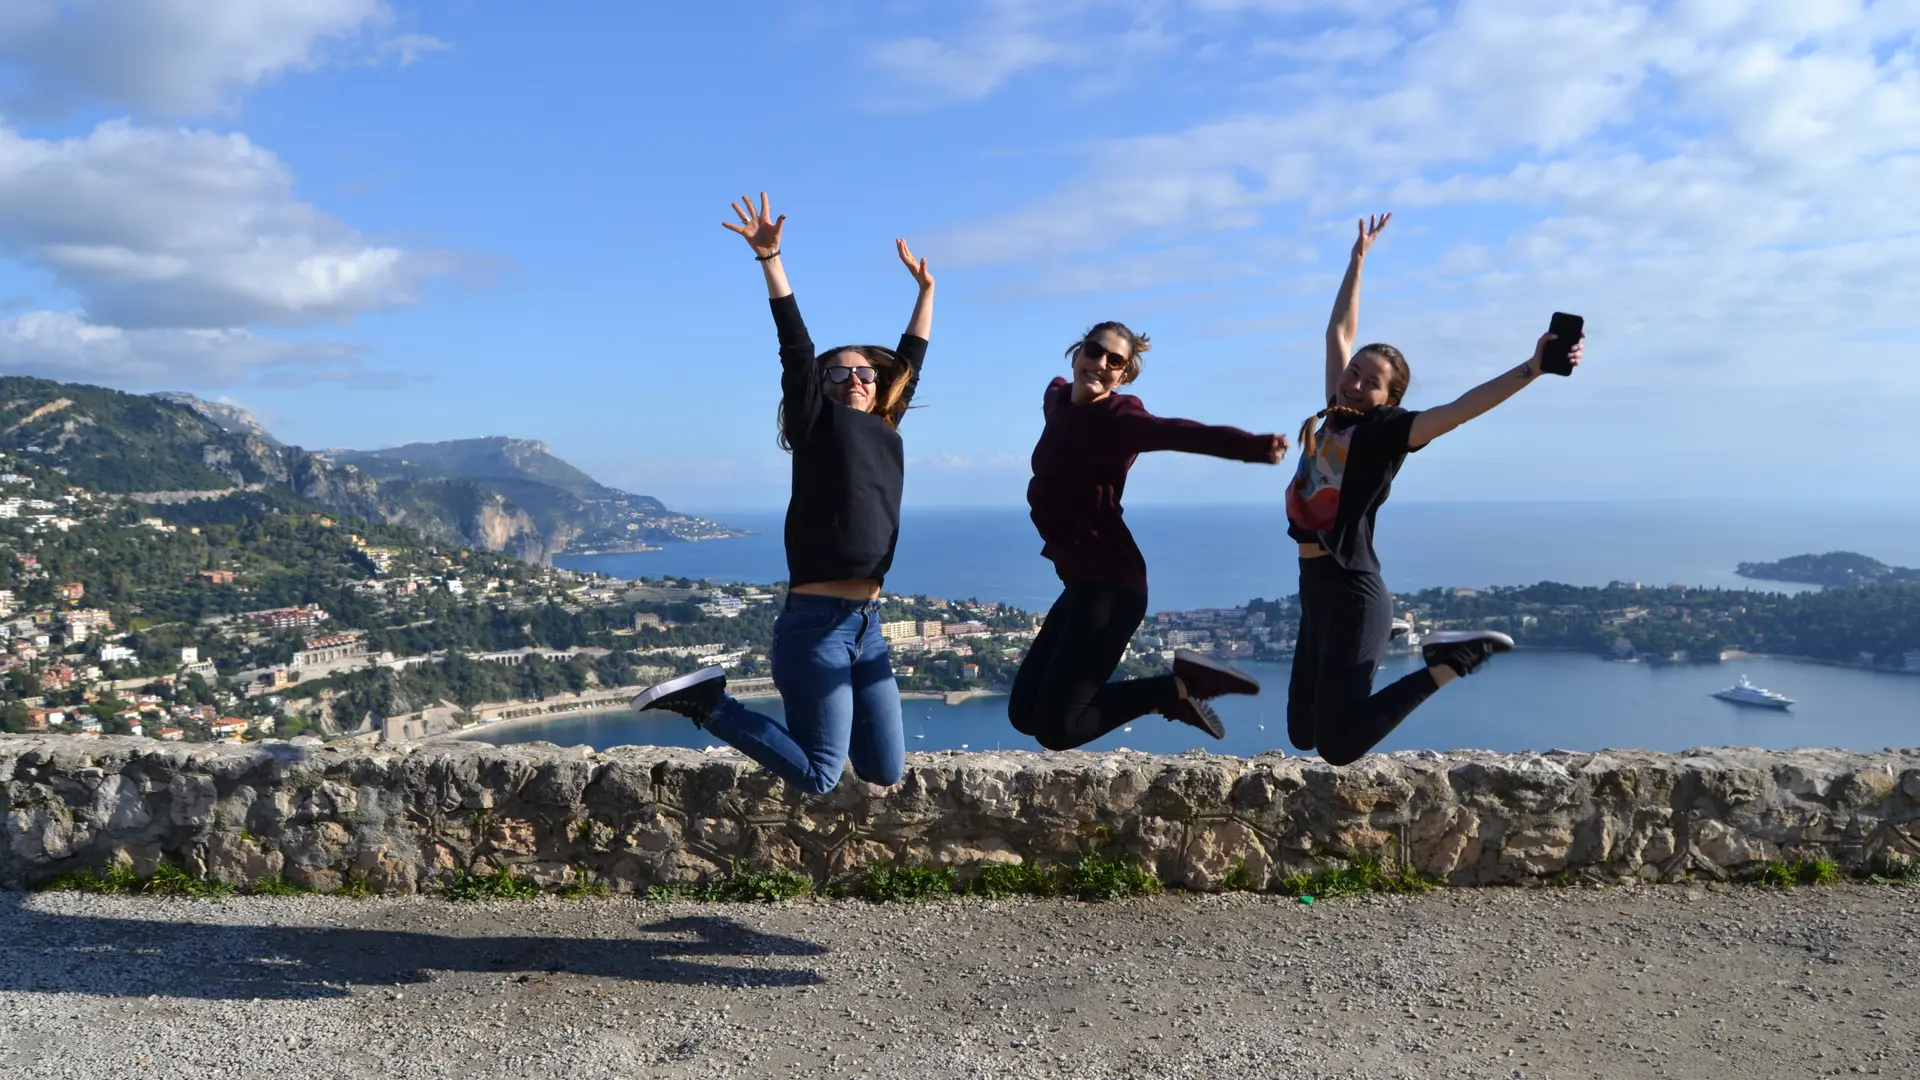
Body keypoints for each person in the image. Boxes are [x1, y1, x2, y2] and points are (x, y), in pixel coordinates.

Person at [631, 192, 933, 794]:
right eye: (837, 373)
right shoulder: (815, 425)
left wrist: (926, 294)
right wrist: (771, 260)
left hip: (867, 624)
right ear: (820, 388)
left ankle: (713, 703)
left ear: (880, 386)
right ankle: (709, 704)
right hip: (815, 627)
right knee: (821, 776)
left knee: (885, 769)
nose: (853, 379)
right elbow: (795, 347)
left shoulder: (885, 428)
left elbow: (910, 362)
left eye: (864, 373)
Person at [1287, 212, 1584, 766]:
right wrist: (1357, 261)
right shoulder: (1335, 414)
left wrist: (1534, 367)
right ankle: (1443, 664)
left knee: (1336, 745)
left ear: (1388, 399)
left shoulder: (1385, 433)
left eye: (1370, 382)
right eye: (1353, 372)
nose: (1353, 381)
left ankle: (1447, 664)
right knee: (1302, 733)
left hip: (1352, 595)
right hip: (1315, 595)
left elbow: (1459, 410)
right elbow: (1338, 333)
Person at [1010, 320, 1290, 751]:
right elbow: (1056, 386)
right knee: (1022, 713)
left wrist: (1253, 447)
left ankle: (1174, 688)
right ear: (1077, 351)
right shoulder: (1058, 400)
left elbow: (1179, 433)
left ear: (1123, 374)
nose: (1101, 363)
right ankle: (1173, 691)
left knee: (1056, 730)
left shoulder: (1119, 418)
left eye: (1114, 361)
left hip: (1111, 587)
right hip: (1081, 584)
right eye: (1094, 350)